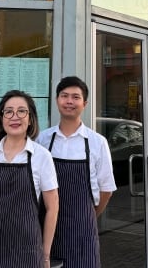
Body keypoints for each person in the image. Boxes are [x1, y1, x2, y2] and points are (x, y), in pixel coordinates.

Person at [0, 90, 59, 268]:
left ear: (30, 119)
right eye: (8, 111)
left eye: (22, 111)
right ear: (1, 118)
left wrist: (45, 255)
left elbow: (52, 208)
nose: (15, 117)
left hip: (28, 252)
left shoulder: (41, 156)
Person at [36, 76, 117, 268]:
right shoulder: (43, 139)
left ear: (85, 103)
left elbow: (107, 189)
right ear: (57, 100)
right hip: (47, 227)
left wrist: (88, 216)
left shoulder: (97, 142)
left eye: (75, 97)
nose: (69, 101)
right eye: (64, 96)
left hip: (82, 231)